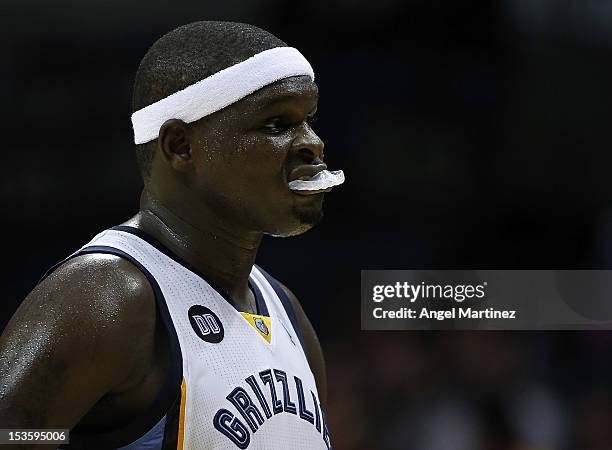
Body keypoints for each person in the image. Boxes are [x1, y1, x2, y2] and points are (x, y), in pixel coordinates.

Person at [0, 21, 343, 449]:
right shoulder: (108, 296)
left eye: (307, 120)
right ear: (181, 146)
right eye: (276, 124)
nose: (312, 143)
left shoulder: (285, 310)